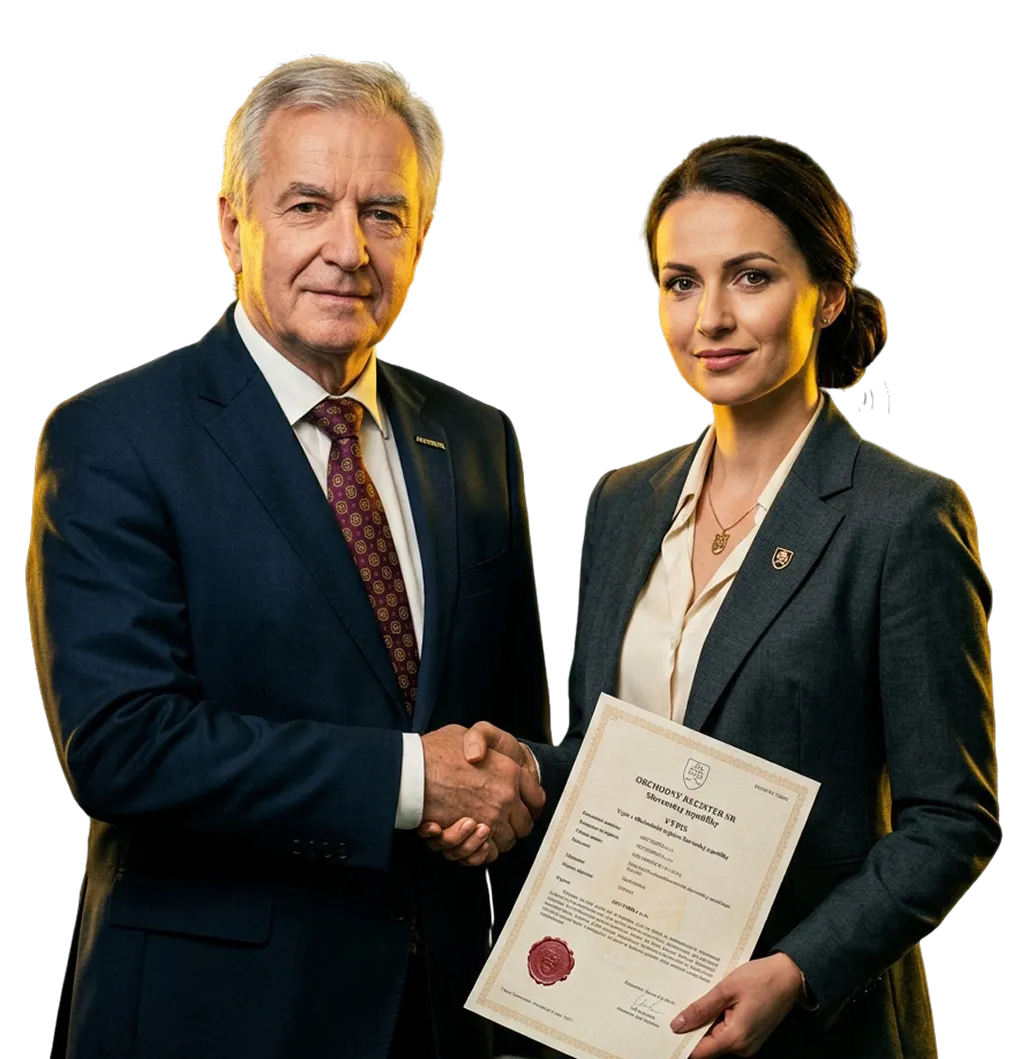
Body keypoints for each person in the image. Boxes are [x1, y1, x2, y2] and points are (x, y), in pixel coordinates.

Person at [423, 135, 1000, 1058]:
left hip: (811, 1034)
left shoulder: (903, 517)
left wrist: (799, 970)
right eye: (681, 283)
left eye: (752, 277)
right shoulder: (624, 501)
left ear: (828, 294)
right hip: (616, 1008)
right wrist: (520, 771)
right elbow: (624, 758)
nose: (713, 318)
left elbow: (952, 822)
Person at [27, 55, 551, 1059]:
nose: (347, 249)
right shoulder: (114, 437)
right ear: (234, 225)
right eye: (309, 205)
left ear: (421, 235)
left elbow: (506, 719)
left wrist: (506, 788)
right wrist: (413, 780)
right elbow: (123, 746)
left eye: (384, 213)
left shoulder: (474, 438)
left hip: (442, 1014)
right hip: (219, 1019)